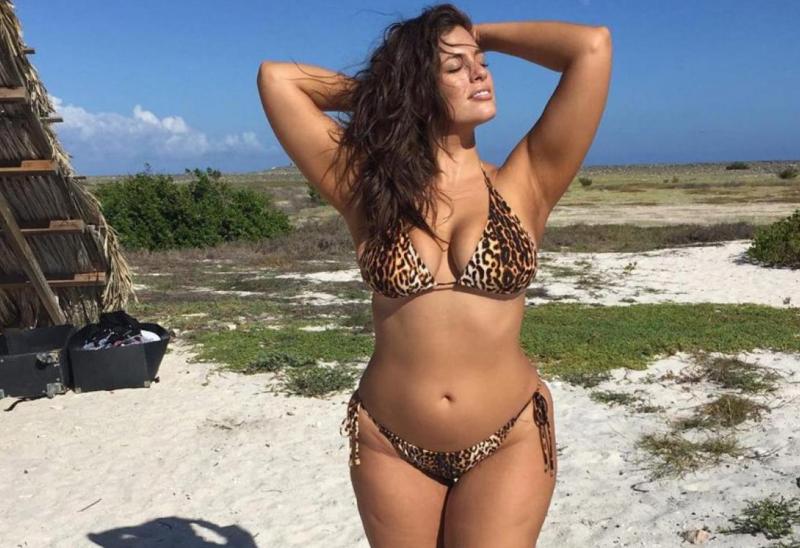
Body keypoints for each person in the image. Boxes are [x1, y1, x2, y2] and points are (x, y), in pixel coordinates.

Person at [257, 4, 611, 546]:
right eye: (454, 66)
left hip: (508, 435)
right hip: (389, 443)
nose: (479, 72)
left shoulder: (527, 181)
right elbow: (277, 80)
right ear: (419, 86)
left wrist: (477, 35)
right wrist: (394, 94)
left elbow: (591, 48)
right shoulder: (368, 189)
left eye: (481, 62)